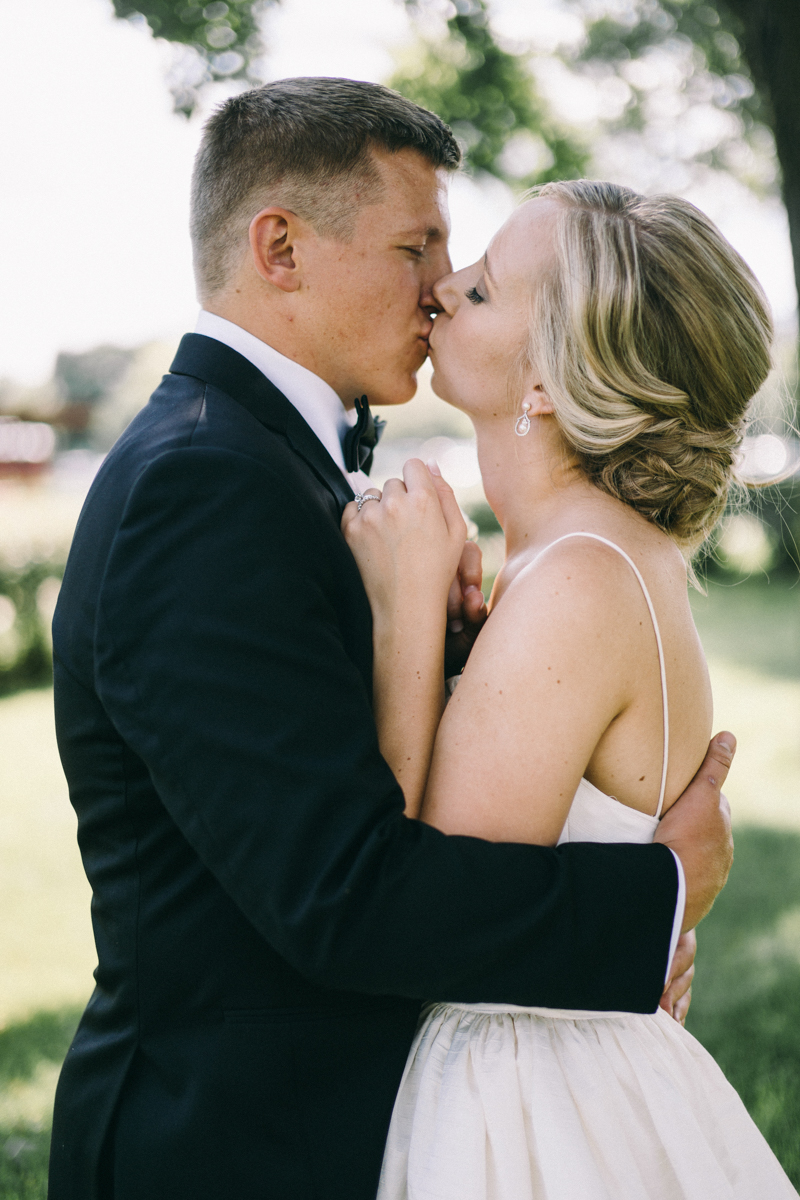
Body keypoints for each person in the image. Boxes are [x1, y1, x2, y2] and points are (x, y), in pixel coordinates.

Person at [49, 82, 732, 1200]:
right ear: (280, 248)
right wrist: (645, 902)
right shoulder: (202, 483)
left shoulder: (275, 467)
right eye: (418, 246)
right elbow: (345, 896)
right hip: (232, 1147)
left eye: (460, 263)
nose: (438, 289)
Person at [342, 181, 795, 1198]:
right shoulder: (572, 562)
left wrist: (404, 611)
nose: (441, 287)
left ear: (546, 377)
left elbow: (428, 910)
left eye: (485, 290)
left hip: (527, 1116)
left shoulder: (580, 579)